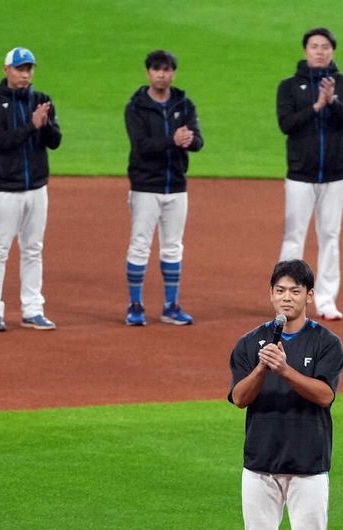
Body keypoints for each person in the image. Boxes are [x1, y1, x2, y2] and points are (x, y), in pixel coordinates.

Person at [226, 259, 343, 530]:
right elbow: (240, 397)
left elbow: (325, 395)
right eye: (280, 290)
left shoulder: (326, 343)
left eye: (295, 290)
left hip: (308, 463)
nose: (286, 297)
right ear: (271, 294)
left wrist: (286, 369)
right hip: (259, 462)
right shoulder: (251, 343)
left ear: (309, 296)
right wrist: (263, 365)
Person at [277, 28, 343, 322]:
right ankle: (286, 300)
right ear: (305, 51)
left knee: (330, 236)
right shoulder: (289, 87)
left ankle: (326, 300)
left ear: (332, 51)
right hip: (300, 175)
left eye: (325, 47)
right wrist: (316, 106)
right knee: (294, 237)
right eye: (314, 46)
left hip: (334, 175)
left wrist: (333, 102)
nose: (320, 51)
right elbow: (286, 123)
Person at [0, 47, 62, 332]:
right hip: (5, 189)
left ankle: (33, 309)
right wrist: (32, 125)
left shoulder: (42, 100)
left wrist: (45, 124)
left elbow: (55, 141)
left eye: (29, 69)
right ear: (6, 70)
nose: (25, 74)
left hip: (37, 188)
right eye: (20, 69)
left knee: (33, 249)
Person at [124, 50, 203, 326]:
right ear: (148, 73)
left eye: (166, 69)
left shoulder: (185, 104)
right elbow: (141, 146)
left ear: (173, 73)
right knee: (140, 245)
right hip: (146, 187)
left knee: (172, 247)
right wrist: (173, 139)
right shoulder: (135, 107)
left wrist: (188, 139)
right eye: (156, 69)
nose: (161, 74)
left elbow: (198, 142)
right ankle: (135, 306)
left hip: (176, 186)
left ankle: (171, 306)